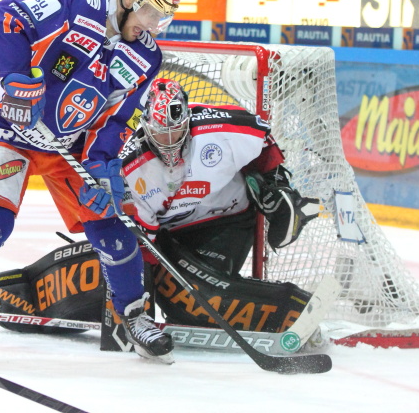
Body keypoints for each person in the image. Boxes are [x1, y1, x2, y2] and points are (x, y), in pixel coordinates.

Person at [0, 0, 182, 364]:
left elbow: (119, 117)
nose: (154, 26)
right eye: (152, 12)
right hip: (11, 129)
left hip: (71, 147)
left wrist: (101, 163)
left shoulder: (146, 57)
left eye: (162, 18)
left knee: (112, 228)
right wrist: (15, 78)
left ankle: (134, 316)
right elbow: (1, 18)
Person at [120, 79, 319, 326]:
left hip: (227, 220)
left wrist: (274, 182)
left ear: (188, 120)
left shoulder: (221, 129)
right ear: (146, 127)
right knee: (180, 300)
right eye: (161, 133)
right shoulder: (130, 166)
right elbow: (143, 239)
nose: (170, 141)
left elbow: (263, 138)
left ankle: (294, 309)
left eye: (177, 131)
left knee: (208, 302)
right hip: (169, 234)